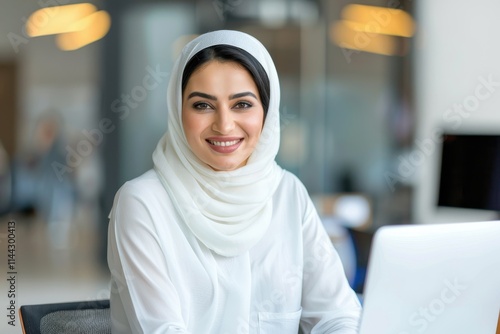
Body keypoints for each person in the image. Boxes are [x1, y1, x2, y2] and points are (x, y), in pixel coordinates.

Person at [107, 30, 361, 334]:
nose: (224, 125)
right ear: (177, 111)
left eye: (242, 104)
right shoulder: (142, 203)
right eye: (202, 105)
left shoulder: (287, 193)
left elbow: (338, 315)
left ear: (267, 112)